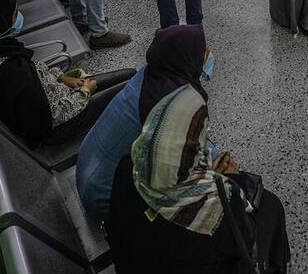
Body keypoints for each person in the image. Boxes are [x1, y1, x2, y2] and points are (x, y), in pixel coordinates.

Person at [107, 84, 291, 273]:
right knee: (271, 205)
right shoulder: (217, 206)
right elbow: (245, 235)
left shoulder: (127, 168)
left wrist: (197, 177)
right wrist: (231, 179)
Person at [0, 0, 136, 147]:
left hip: (57, 95)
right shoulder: (12, 73)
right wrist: (85, 92)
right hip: (59, 125)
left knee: (131, 75)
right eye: (13, 16)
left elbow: (35, 71)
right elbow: (46, 121)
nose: (19, 18)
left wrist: (61, 77)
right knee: (133, 88)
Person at [77, 25, 213, 221]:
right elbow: (179, 171)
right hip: (104, 200)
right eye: (204, 52)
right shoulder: (171, 104)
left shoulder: (150, 74)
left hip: (89, 172)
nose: (208, 56)